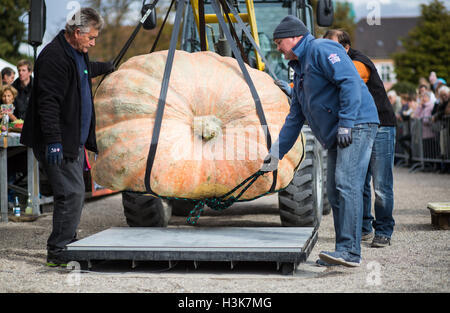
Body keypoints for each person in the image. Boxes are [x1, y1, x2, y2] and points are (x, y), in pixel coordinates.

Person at [261, 16, 379, 267]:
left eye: (279, 42)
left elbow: (349, 82)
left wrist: (346, 122)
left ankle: (350, 252)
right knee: (335, 192)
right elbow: (295, 117)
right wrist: (276, 154)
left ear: (294, 38)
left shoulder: (321, 49)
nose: (278, 49)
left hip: (356, 124)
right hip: (340, 131)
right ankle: (342, 249)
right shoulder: (301, 67)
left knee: (347, 184)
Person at [20, 7, 114, 267]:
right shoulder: (53, 57)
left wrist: (106, 67)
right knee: (71, 194)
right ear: (77, 32)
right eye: (91, 38)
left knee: (73, 193)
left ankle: (68, 243)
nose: (93, 42)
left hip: (72, 138)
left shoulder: (77, 52)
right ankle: (59, 251)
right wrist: (53, 142)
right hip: (57, 140)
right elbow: (47, 104)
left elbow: (83, 71)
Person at [323, 29, 397, 248]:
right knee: (360, 182)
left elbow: (347, 82)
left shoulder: (358, 63)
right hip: (360, 126)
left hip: (381, 126)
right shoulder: (339, 62)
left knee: (381, 185)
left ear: (346, 48)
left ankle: (383, 230)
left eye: (333, 47)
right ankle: (364, 227)